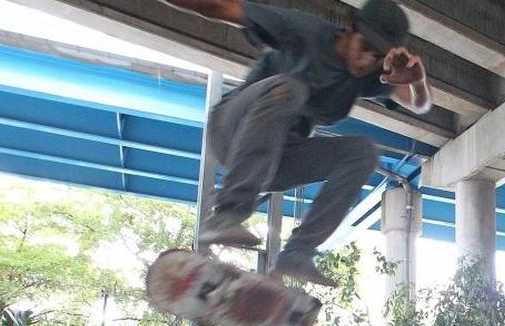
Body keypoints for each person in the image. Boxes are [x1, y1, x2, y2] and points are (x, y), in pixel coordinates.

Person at [162, 0, 432, 286]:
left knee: (363, 152)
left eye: (377, 56)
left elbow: (420, 106)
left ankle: (297, 254)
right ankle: (227, 214)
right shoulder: (305, 31)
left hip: (276, 160)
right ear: (350, 29)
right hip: (232, 130)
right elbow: (221, 8)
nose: (366, 61)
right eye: (364, 48)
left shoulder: (369, 76)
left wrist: (418, 80)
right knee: (293, 88)